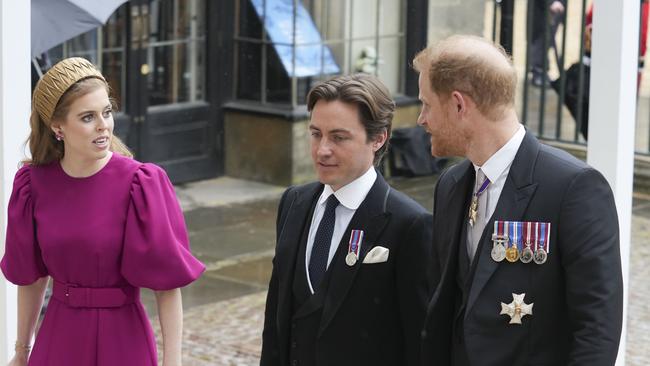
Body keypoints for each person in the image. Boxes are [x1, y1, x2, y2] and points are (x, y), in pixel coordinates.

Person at [414, 35, 623, 365]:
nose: (421, 119)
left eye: (426, 104)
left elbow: (597, 329)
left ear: (458, 104)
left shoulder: (574, 188)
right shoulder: (451, 184)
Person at [1, 57, 205, 366]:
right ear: (58, 126)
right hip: (59, 337)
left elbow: (166, 286)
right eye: (87, 117)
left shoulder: (141, 184)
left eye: (106, 112)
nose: (103, 125)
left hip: (124, 339)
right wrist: (21, 350)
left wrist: (172, 362)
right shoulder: (32, 186)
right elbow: (31, 278)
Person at [260, 74, 433, 366]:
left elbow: (418, 342)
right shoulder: (294, 202)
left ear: (378, 138)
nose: (322, 150)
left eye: (339, 137)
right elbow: (276, 317)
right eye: (316, 134)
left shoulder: (410, 224)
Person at [530, 0, 566, 87]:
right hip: (544, 8)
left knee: (548, 40)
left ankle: (541, 70)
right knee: (541, 38)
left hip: (554, 8)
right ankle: (538, 71)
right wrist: (551, 2)